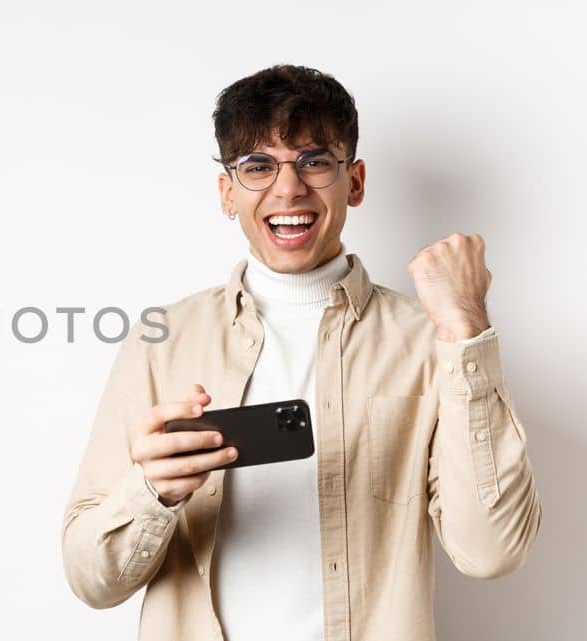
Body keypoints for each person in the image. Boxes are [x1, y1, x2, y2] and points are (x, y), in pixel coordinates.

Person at [59, 65, 542, 641]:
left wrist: (466, 329)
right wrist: (153, 491)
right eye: (258, 166)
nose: (288, 189)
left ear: (355, 182)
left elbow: (492, 552)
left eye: (314, 161)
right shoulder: (161, 340)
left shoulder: (431, 341)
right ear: (227, 193)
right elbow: (92, 581)